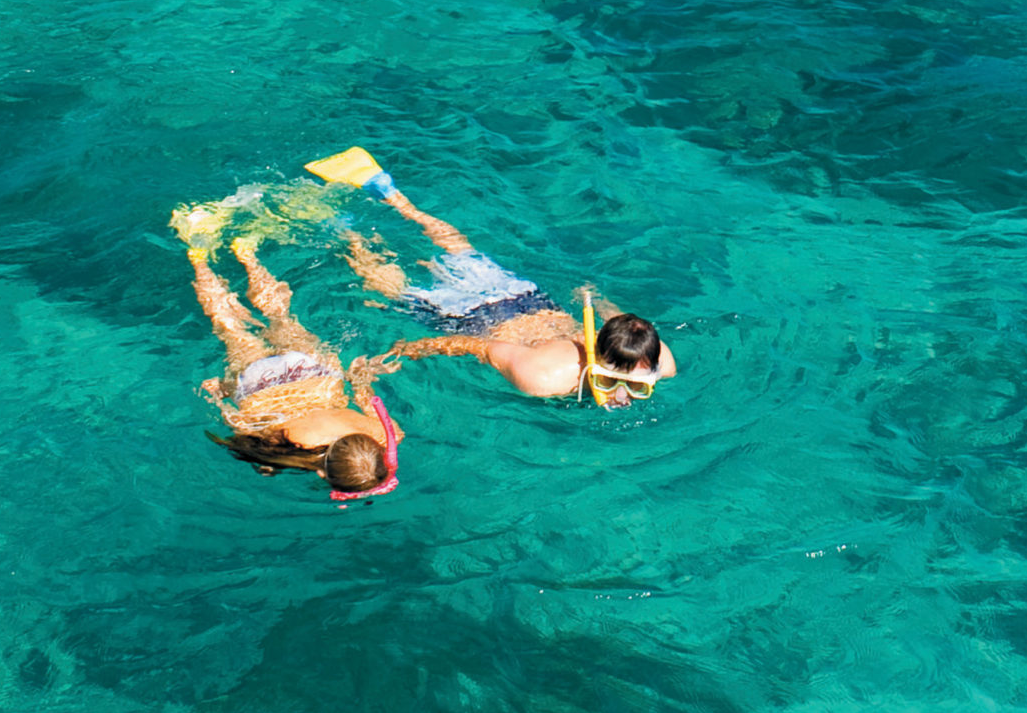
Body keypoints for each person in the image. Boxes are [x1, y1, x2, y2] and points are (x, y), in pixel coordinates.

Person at [338, 166, 679, 406]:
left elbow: (619, 319)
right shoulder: (544, 376)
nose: (622, 398)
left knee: (461, 249)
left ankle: (394, 196)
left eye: (637, 388)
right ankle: (342, 229)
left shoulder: (657, 357)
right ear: (595, 357)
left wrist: (594, 295)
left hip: (524, 298)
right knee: (390, 288)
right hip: (469, 317)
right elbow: (474, 345)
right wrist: (404, 352)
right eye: (610, 382)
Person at [172, 204, 403, 499]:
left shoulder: (389, 435)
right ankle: (199, 256)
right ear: (322, 472)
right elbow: (242, 425)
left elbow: (363, 394)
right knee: (229, 326)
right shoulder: (293, 450)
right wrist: (222, 394)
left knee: (281, 316)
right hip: (261, 386)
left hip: (313, 373)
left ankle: (246, 253)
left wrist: (359, 374)